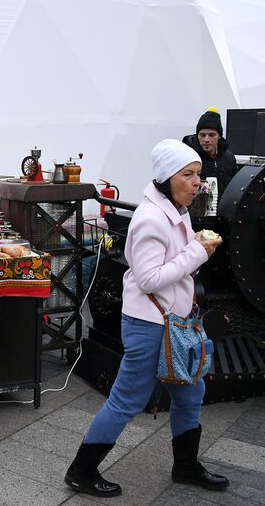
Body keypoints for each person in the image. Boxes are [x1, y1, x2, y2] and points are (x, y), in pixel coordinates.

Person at [64, 139, 228, 497]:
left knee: (190, 392)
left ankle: (186, 465)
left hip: (174, 322)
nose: (197, 181)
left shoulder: (177, 209)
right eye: (188, 174)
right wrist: (197, 251)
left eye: (198, 173)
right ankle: (81, 471)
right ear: (167, 177)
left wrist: (194, 248)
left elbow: (176, 262)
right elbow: (149, 278)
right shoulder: (151, 218)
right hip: (149, 324)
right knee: (127, 400)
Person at [181, 107, 238, 195]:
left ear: (219, 136)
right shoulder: (188, 156)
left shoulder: (229, 158)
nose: (206, 139)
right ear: (197, 135)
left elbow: (234, 188)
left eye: (212, 135)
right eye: (202, 135)